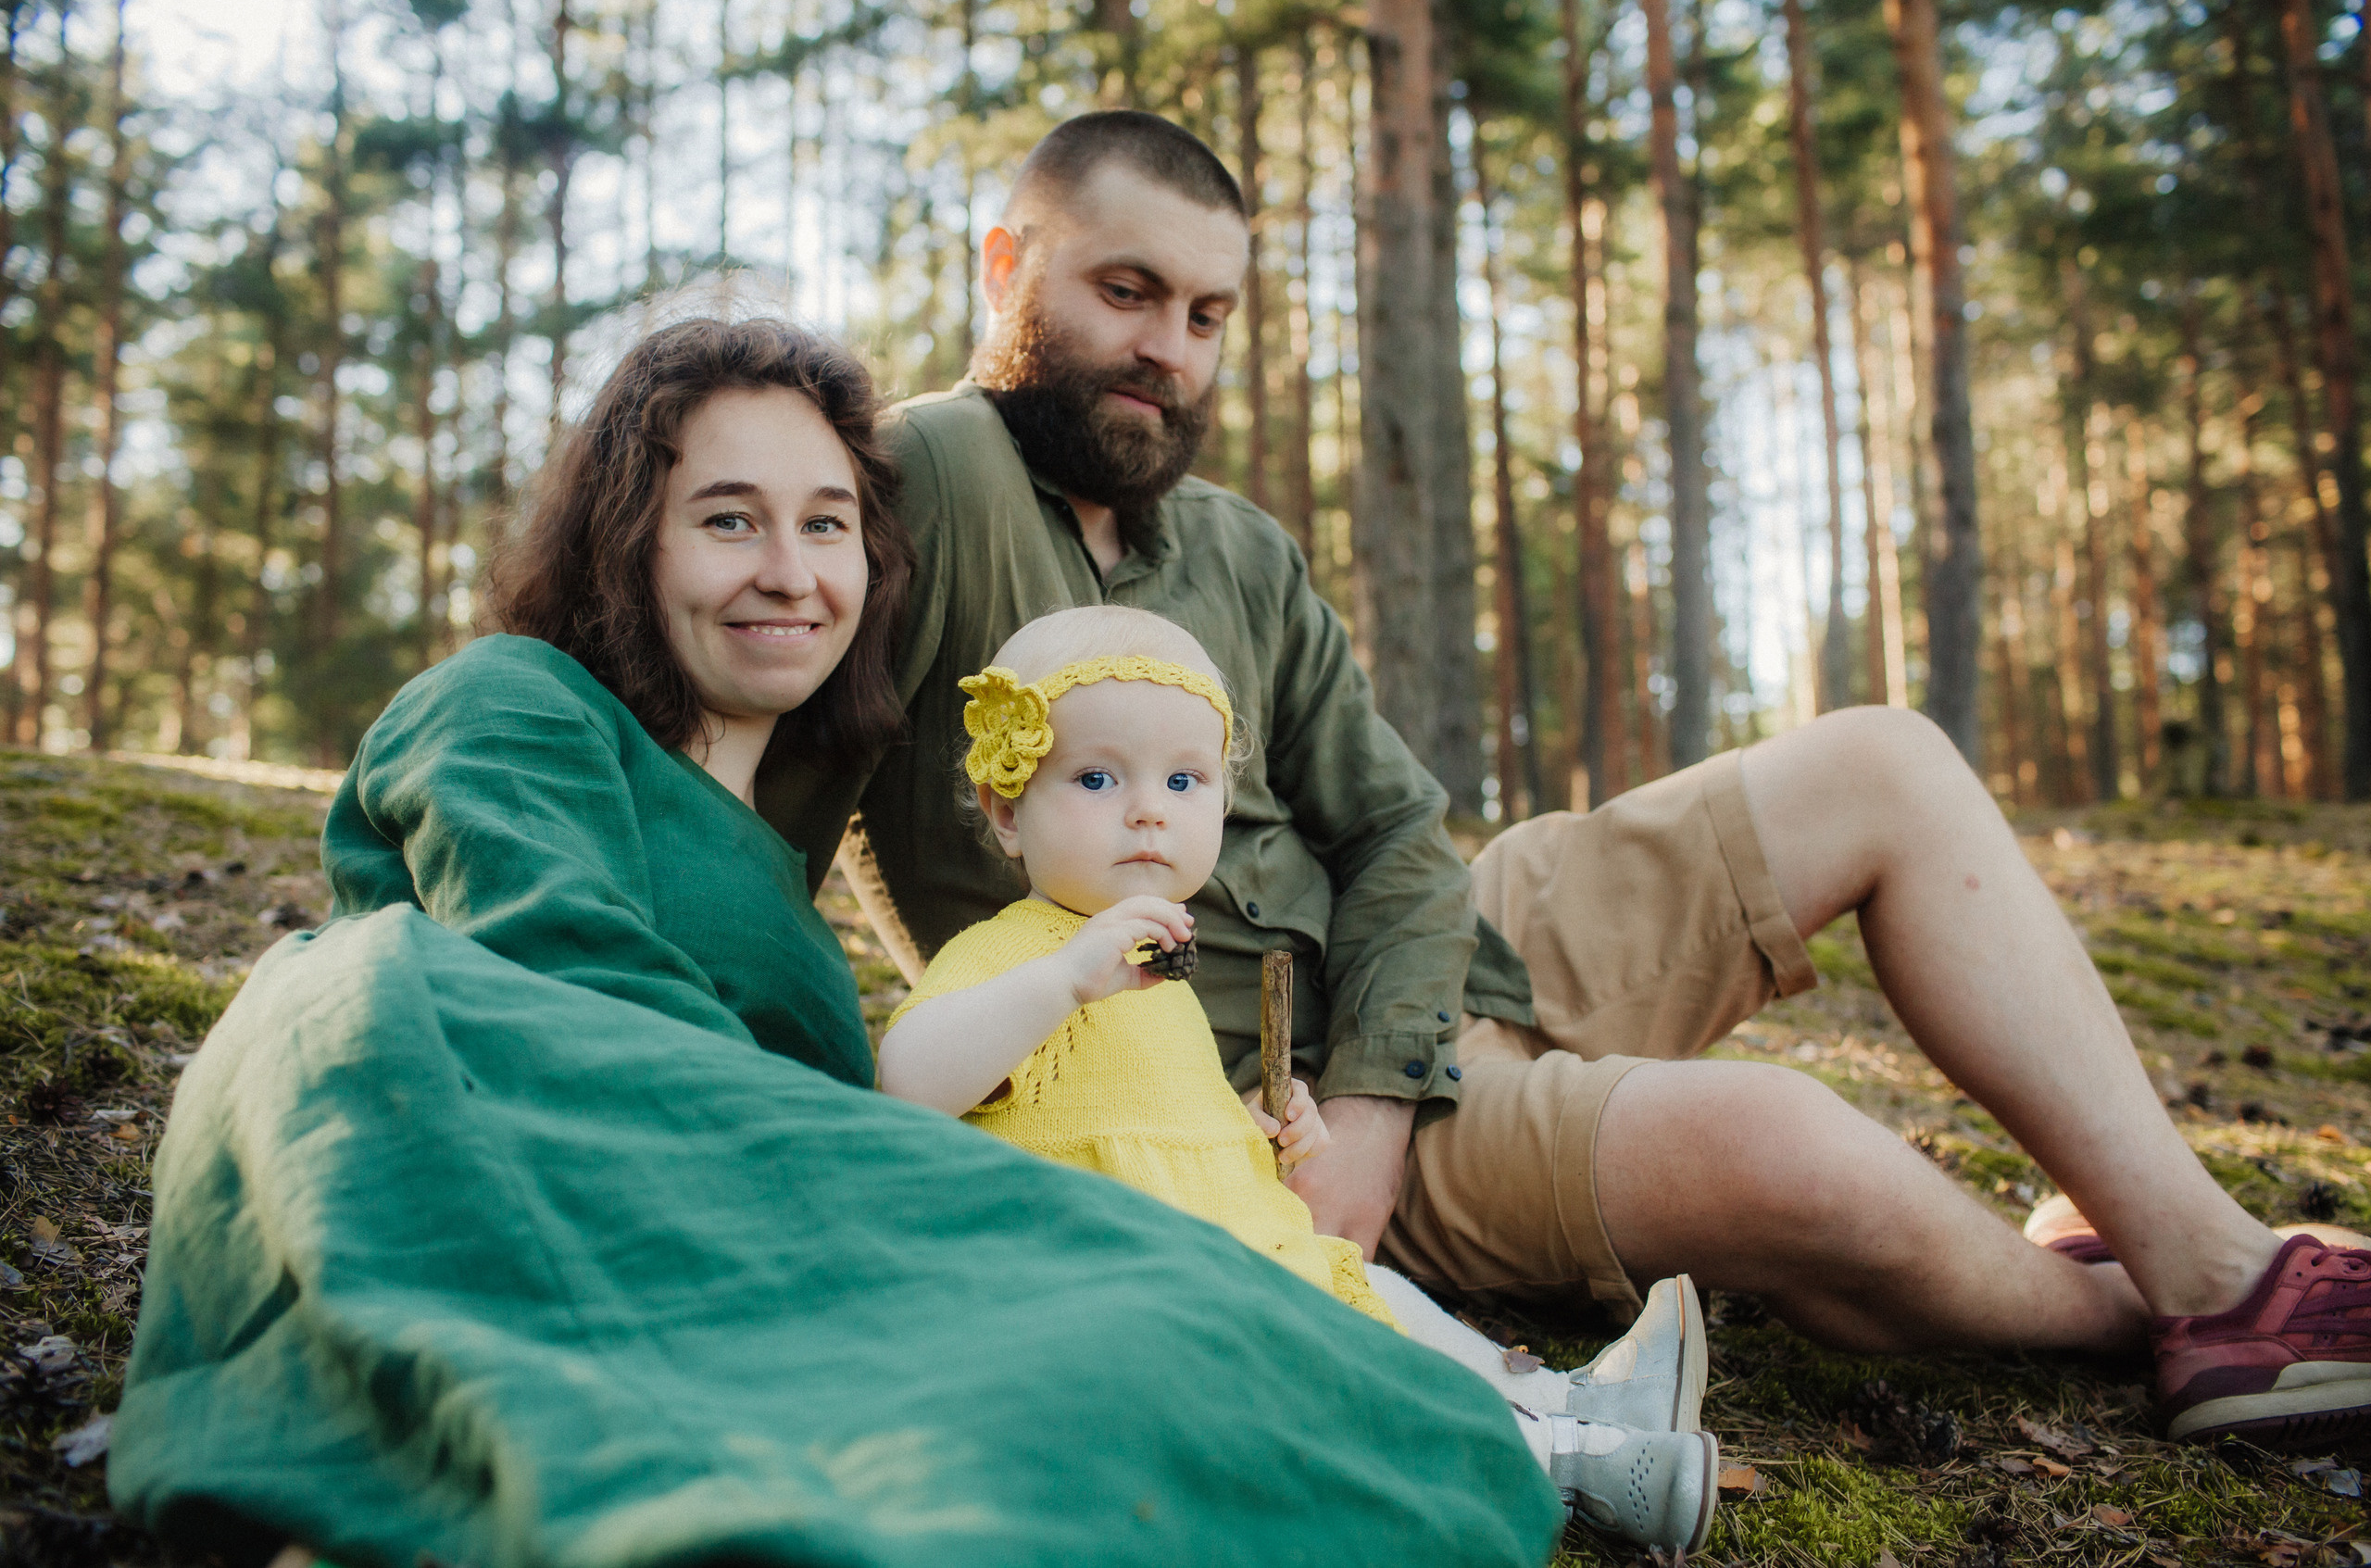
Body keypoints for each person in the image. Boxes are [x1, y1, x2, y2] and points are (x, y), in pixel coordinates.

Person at [759, 110, 2371, 1449]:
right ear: (1006, 266)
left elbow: (1392, 822)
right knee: (1784, 1145)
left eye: (1206, 314)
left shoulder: (1236, 544)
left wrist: (1395, 1085)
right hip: (1257, 1102)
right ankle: (2132, 1304)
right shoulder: (922, 481)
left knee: (1884, 757)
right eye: (1125, 290)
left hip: (1426, 981)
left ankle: (2206, 1258)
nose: (1168, 350)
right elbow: (756, 807)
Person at [110, 318, 1564, 1567]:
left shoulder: (789, 902)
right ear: (634, 538)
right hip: (497, 1139)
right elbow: (552, 961)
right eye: (729, 517)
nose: (790, 569)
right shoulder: (518, 700)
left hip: (742, 1233)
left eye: (826, 525)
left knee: (1236, 1365)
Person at [877, 604, 1721, 1552]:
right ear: (1005, 810)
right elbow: (909, 1078)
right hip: (1130, 1293)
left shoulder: (1158, 973)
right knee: (1366, 1376)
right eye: (1097, 777)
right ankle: (1575, 1468)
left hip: (1238, 1260)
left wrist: (1264, 1135)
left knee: (1383, 1298)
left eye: (1183, 779)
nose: (1148, 808)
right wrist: (1060, 981)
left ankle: (1577, 1404)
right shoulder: (1015, 957)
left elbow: (1156, 1123)